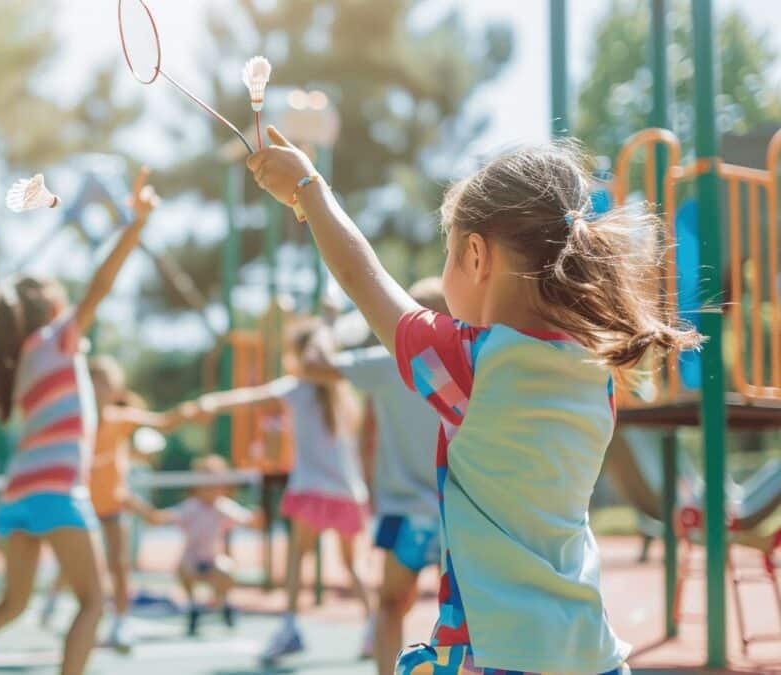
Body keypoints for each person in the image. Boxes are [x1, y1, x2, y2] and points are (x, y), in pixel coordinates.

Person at [247, 130, 700, 673]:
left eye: (448, 253)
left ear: (477, 255)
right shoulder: (592, 371)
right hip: (590, 651)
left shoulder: (476, 361)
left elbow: (362, 279)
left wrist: (309, 189)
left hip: (499, 652)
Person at [0, 169, 159, 675]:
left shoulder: (16, 365)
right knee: (93, 602)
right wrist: (135, 225)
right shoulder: (59, 338)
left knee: (12, 604)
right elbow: (101, 284)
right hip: (57, 491)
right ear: (51, 308)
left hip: (16, 497)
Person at [194, 321, 372, 664]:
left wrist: (213, 402)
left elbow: (251, 398)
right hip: (349, 492)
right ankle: (372, 627)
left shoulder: (297, 387)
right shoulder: (343, 392)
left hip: (313, 489)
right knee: (354, 565)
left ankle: (290, 626)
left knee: (296, 559)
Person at [298, 278, 445, 675]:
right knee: (471, 619)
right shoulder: (471, 360)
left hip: (407, 512)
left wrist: (328, 320)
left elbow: (312, 364)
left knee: (391, 606)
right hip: (463, 511)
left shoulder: (391, 363)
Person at [40, 354, 186, 652]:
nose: (100, 388)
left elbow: (164, 421)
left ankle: (121, 623)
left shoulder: (123, 419)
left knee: (119, 565)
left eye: (106, 382)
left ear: (116, 390)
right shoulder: (76, 421)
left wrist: (189, 411)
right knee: (75, 568)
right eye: (95, 381)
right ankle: (53, 601)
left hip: (114, 506)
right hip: (80, 506)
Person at [128, 454, 263, 637]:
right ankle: (193, 606)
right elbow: (157, 519)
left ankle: (223, 603)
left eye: (214, 481)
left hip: (212, 560)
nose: (209, 487)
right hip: (192, 560)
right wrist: (136, 504)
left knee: (226, 569)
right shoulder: (190, 507)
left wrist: (260, 511)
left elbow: (250, 522)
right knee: (184, 566)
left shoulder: (223, 506)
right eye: (205, 480)